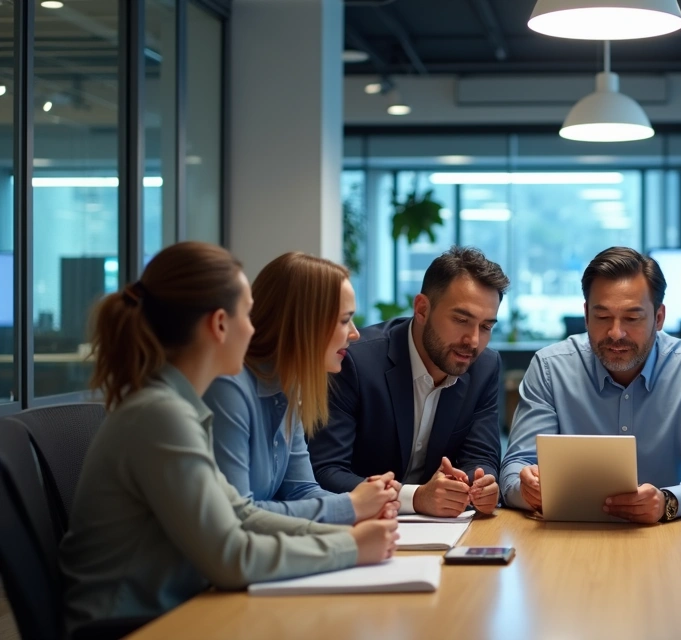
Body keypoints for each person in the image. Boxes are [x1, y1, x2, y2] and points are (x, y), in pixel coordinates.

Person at [60, 242, 397, 630]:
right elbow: (232, 557)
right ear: (219, 324)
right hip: (132, 625)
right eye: (248, 314)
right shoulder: (162, 415)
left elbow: (238, 514)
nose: (255, 328)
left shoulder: (177, 408)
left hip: (174, 608)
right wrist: (350, 545)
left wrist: (353, 527)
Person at [502, 247, 681, 523]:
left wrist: (666, 501)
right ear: (586, 315)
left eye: (632, 318)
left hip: (669, 535)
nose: (616, 333)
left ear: (659, 318)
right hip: (569, 533)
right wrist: (526, 488)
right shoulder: (550, 367)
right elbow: (514, 469)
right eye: (602, 317)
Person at [309, 246, 507, 517]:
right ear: (422, 309)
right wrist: (414, 497)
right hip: (363, 524)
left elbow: (480, 456)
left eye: (486, 327)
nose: (473, 341)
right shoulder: (353, 362)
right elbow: (325, 471)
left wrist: (478, 486)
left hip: (444, 530)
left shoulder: (484, 367)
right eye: (461, 320)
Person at [204, 252, 400, 524]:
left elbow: (301, 490)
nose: (355, 334)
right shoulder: (227, 388)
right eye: (345, 320)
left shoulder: (286, 388)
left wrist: (370, 505)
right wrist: (351, 506)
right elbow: (236, 515)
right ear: (305, 322)